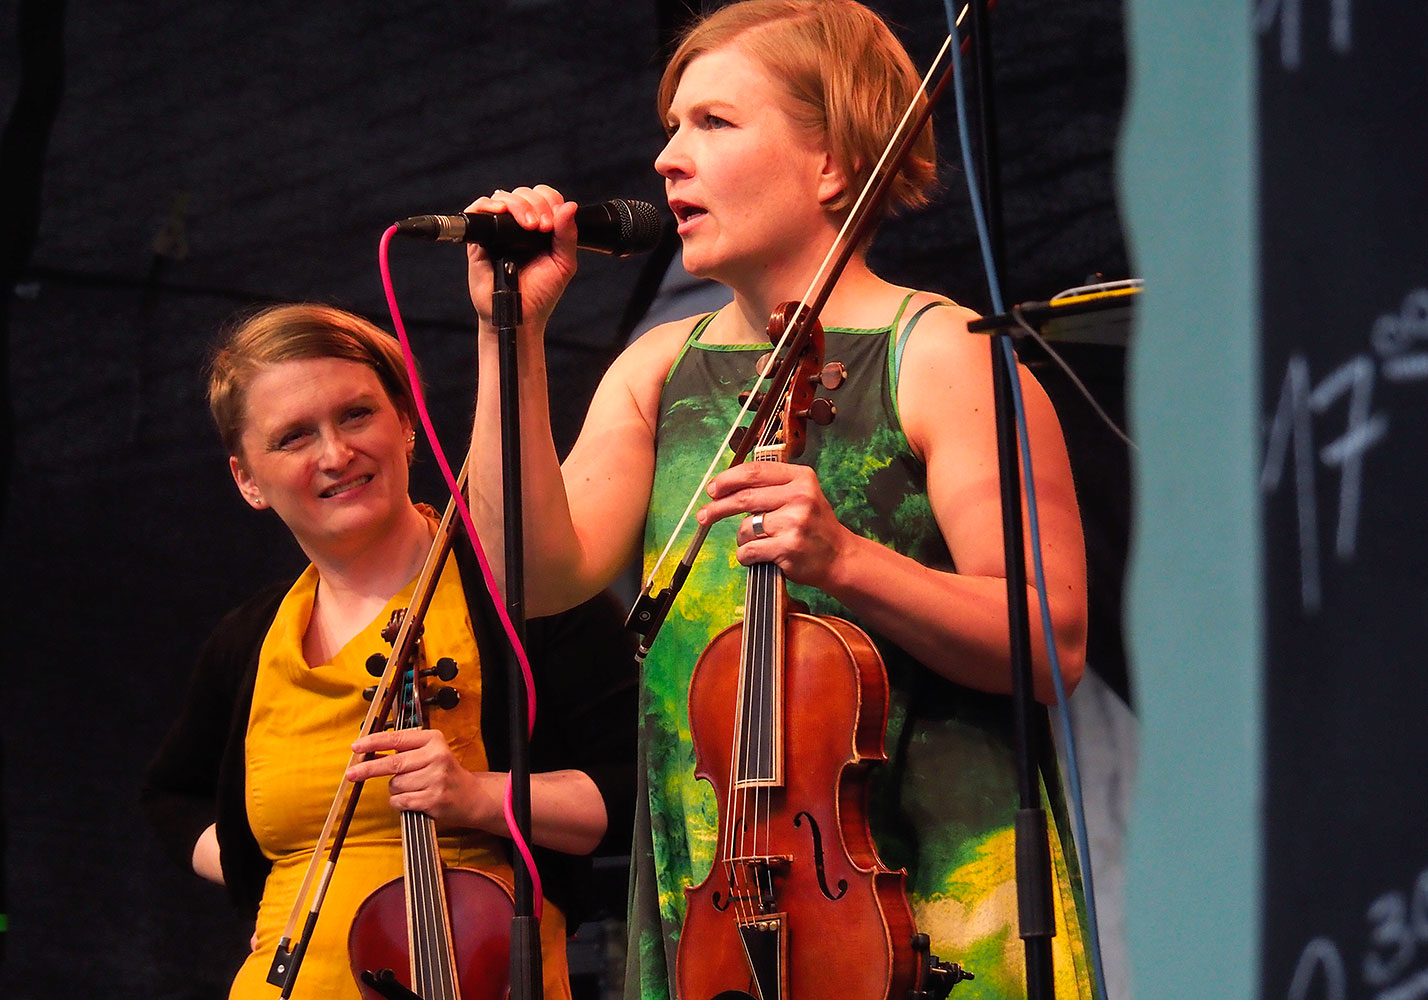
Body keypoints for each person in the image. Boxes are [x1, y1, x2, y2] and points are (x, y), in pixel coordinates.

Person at [462, 2, 1095, 999]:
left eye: (712, 124)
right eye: (671, 126)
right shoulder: (661, 367)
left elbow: (1050, 641)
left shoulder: (942, 355)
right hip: (717, 900)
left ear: (834, 162)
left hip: (931, 899)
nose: (669, 159)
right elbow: (528, 575)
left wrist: (847, 561)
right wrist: (512, 337)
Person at [141, 303, 637, 1000]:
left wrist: (481, 798)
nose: (336, 455)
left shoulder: (527, 597)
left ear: (406, 423)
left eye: (355, 415)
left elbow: (636, 789)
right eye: (292, 438)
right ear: (246, 479)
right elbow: (170, 797)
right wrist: (268, 880)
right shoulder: (249, 640)